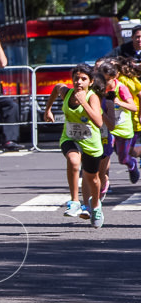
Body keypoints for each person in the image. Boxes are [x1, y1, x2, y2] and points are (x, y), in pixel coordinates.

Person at [43, 64, 105, 227]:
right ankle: (75, 202)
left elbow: (99, 122)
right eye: (76, 78)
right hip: (70, 137)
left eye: (83, 79)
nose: (79, 82)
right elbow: (57, 88)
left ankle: (96, 206)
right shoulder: (67, 93)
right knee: (73, 161)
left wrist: (83, 102)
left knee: (93, 179)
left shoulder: (92, 97)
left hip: (91, 144)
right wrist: (47, 109)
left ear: (90, 82)